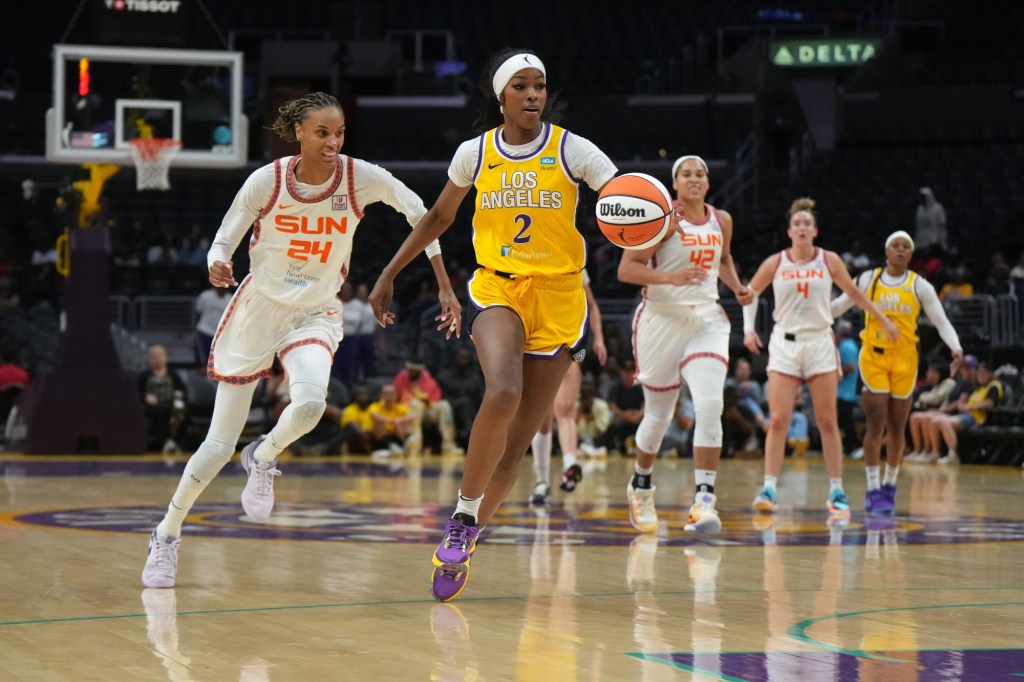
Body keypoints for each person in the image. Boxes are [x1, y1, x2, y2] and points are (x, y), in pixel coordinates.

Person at [142, 91, 458, 588]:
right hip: (259, 309)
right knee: (218, 444)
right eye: (322, 133)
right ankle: (167, 534)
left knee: (311, 405)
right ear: (299, 133)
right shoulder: (266, 181)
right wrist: (217, 262)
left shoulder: (359, 178)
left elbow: (423, 213)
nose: (333, 142)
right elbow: (224, 239)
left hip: (315, 310)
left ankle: (264, 456)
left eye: (340, 133)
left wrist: (441, 279)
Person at [367, 49, 618, 602]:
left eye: (540, 86)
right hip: (498, 285)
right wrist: (388, 272)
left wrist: (652, 216)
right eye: (521, 86)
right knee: (502, 392)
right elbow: (437, 217)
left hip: (560, 294)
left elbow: (621, 195)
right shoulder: (474, 153)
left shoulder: (572, 148)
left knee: (518, 447)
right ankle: (461, 513)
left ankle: (470, 537)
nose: (533, 95)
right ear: (500, 95)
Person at [617, 154, 752, 535]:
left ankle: (704, 501)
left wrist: (737, 285)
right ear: (674, 184)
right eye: (686, 174)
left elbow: (723, 259)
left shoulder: (721, 219)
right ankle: (641, 483)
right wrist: (672, 278)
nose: (694, 178)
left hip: (706, 320)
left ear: (708, 183)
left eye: (700, 173)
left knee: (710, 404)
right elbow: (627, 269)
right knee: (659, 416)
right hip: (661, 319)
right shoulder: (659, 218)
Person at [742, 197, 898, 521]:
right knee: (779, 419)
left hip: (819, 343)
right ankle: (769, 488)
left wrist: (881, 318)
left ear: (815, 231)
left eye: (807, 223)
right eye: (796, 223)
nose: (801, 228)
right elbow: (749, 293)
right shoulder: (776, 262)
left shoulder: (829, 260)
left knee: (828, 421)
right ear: (789, 231)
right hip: (785, 344)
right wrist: (747, 330)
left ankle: (837, 490)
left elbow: (853, 295)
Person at [830, 230, 963, 513]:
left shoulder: (919, 286)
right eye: (895, 246)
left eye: (906, 247)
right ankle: (873, 487)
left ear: (911, 254)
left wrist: (956, 347)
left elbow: (941, 322)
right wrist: (809, 312)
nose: (900, 250)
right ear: (887, 251)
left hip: (905, 359)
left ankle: (890, 484)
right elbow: (839, 307)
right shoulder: (868, 279)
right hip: (874, 358)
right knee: (876, 423)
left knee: (897, 426)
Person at [529, 268, 607, 504]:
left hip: (558, 347)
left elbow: (591, 305)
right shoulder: (532, 262)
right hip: (546, 346)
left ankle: (551, 477)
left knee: (556, 414)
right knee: (554, 416)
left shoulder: (574, 262)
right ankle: (565, 466)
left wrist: (600, 338)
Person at [925, 361, 1002, 465]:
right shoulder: (979, 388)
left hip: (978, 419)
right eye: (980, 373)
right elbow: (962, 403)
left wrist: (970, 406)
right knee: (934, 421)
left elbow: (989, 403)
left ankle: (953, 454)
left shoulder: (994, 386)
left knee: (944, 422)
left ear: (990, 374)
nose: (981, 376)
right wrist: (963, 406)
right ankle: (935, 452)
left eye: (984, 373)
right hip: (967, 415)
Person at [906, 356, 977, 463]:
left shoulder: (970, 384)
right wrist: (940, 410)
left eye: (968, 368)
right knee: (918, 416)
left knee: (933, 419)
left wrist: (942, 411)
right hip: (951, 412)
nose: (965, 370)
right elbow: (949, 400)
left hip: (959, 414)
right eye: (963, 367)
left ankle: (945, 453)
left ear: (974, 370)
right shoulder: (959, 382)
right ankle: (923, 451)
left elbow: (959, 403)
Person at [392, 357, 460, 455]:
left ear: (420, 370)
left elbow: (435, 400)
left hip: (426, 412)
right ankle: (414, 446)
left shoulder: (428, 380)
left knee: (444, 405)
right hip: (407, 411)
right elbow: (394, 397)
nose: (412, 372)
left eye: (415, 371)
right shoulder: (401, 377)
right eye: (411, 370)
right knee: (415, 404)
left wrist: (426, 401)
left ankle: (448, 445)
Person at [137, 345, 187, 453]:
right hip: (153, 406)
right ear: (150, 359)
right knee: (159, 413)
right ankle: (166, 442)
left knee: (180, 411)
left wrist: (179, 393)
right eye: (154, 357)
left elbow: (183, 390)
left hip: (171, 403)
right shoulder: (144, 375)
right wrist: (146, 397)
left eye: (160, 356)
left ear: (165, 357)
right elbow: (137, 392)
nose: (158, 359)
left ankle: (176, 441)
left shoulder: (173, 375)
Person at [834, 319, 862, 457]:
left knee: (846, 420)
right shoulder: (851, 345)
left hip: (846, 392)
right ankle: (846, 446)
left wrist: (836, 373)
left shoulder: (845, 347)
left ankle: (852, 447)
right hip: (848, 391)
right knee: (843, 420)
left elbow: (851, 367)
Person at [368, 383, 416, 456]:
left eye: (391, 394)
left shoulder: (401, 407)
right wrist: (391, 421)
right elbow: (373, 415)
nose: (389, 397)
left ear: (396, 395)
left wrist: (399, 420)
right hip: (382, 438)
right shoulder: (375, 406)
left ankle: (406, 445)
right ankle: (392, 447)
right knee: (378, 424)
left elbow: (413, 415)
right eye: (386, 394)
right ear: (381, 395)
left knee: (407, 424)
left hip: (397, 434)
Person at [193, 285, 231, 366]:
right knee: (202, 359)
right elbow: (197, 313)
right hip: (204, 331)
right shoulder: (205, 296)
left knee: (218, 361)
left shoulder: (230, 298)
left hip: (221, 335)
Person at [914, 187, 948, 253]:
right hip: (921, 242)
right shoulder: (919, 209)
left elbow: (941, 226)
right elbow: (918, 227)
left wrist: (942, 242)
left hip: (934, 242)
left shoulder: (938, 209)